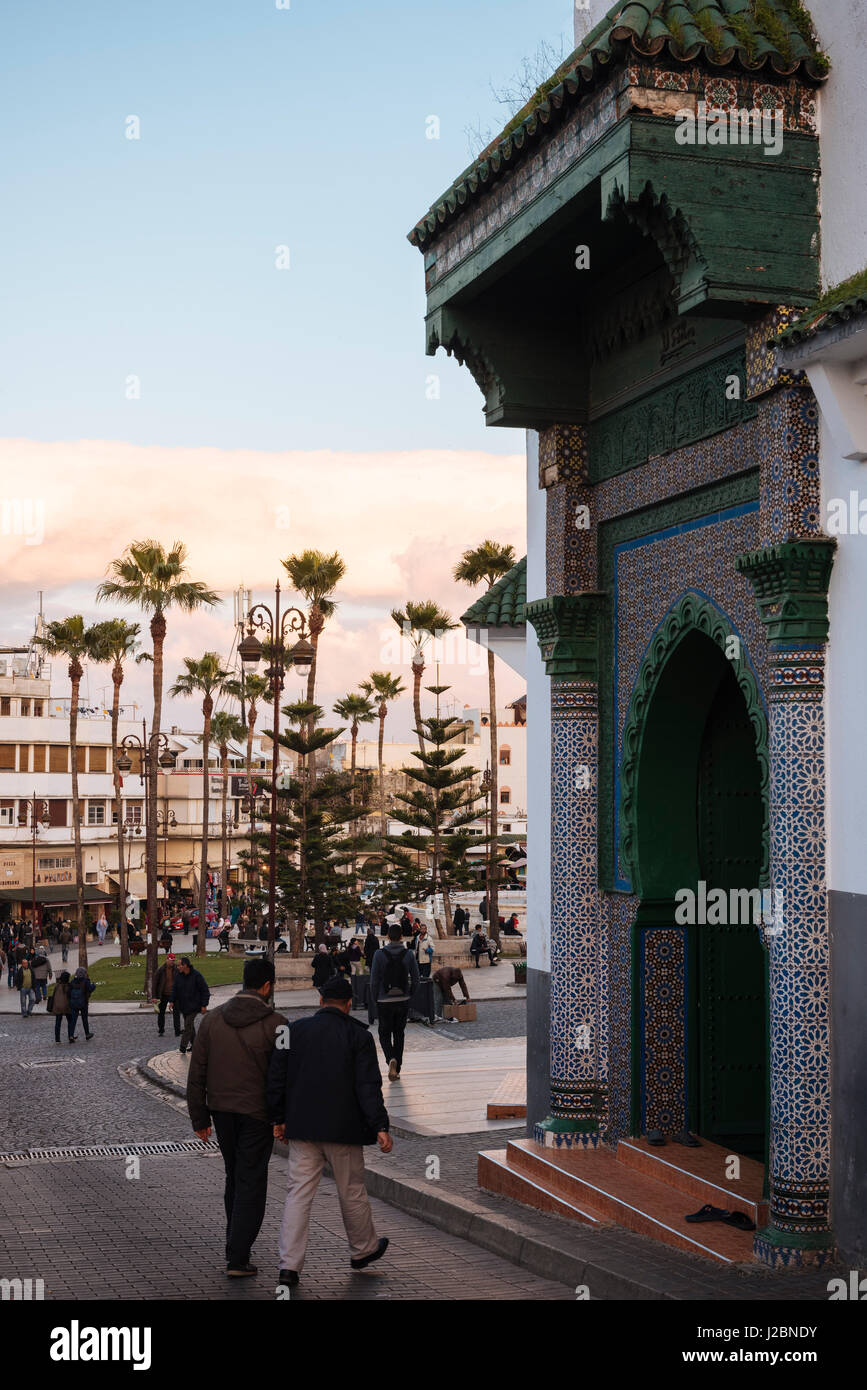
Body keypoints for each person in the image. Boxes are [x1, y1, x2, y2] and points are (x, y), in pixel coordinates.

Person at [267, 974, 392, 1288]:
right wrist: (380, 1126)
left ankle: (289, 1267)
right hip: (343, 1130)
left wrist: (278, 1119)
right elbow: (368, 1087)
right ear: (349, 1005)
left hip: (303, 1128)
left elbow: (276, 1079)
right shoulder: (359, 1037)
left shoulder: (292, 1031)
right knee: (351, 1191)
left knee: (298, 1195)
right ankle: (363, 1250)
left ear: (320, 1001)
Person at [185, 957, 287, 1278]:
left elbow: (196, 1073)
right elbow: (283, 1077)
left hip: (221, 1111)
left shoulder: (211, 1022)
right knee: (251, 1181)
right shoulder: (279, 1026)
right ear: (267, 986)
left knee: (234, 1176)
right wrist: (282, 1118)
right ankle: (238, 1256)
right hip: (258, 1114)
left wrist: (200, 1117)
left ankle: (234, 1246)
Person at [369, 923, 420, 1082]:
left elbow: (374, 980)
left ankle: (390, 1058)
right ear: (402, 937)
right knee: (399, 1034)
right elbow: (416, 979)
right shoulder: (408, 954)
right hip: (402, 999)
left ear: (388, 937)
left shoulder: (379, 954)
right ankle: (397, 1069)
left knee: (384, 1033)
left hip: (384, 1000)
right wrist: (410, 993)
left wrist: (375, 998)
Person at [171, 956, 210, 1054]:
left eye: (179, 965)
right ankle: (196, 1045)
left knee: (188, 1025)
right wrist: (171, 1001)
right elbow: (174, 989)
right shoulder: (178, 976)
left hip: (194, 1006)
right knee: (191, 1027)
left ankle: (182, 1047)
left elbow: (205, 990)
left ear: (185, 965)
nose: (177, 967)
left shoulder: (197, 975)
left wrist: (204, 1005)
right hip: (183, 1006)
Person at [154, 953, 182, 1039]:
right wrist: (154, 996)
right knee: (161, 1013)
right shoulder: (160, 970)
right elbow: (155, 984)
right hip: (163, 994)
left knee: (176, 1013)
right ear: (167, 960)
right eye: (171, 960)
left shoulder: (176, 970)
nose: (172, 962)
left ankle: (177, 1031)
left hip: (174, 994)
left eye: (173, 961)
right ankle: (161, 1030)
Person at [68, 967, 96, 1039]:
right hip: (83, 1003)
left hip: (74, 1003)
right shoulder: (86, 981)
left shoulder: (73, 981)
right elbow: (90, 989)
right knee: (84, 1019)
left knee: (73, 1020)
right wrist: (94, 985)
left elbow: (68, 992)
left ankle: (71, 1035)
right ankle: (87, 1034)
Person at [49, 970, 75, 1044]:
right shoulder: (69, 986)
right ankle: (70, 1035)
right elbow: (71, 996)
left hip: (58, 1006)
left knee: (58, 1023)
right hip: (67, 1006)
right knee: (70, 1021)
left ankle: (57, 1039)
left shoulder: (57, 986)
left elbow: (54, 996)